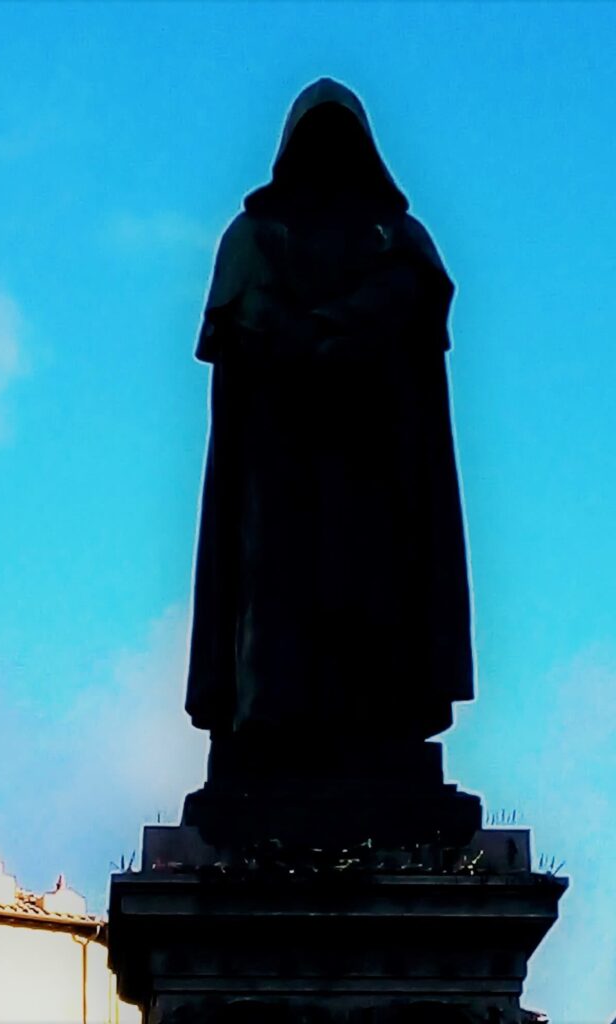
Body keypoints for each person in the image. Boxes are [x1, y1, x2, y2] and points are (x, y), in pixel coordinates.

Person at [185, 78, 473, 758]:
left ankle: (380, 720)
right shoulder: (252, 236)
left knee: (377, 586)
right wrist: (307, 334)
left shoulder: (400, 239)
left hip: (376, 456)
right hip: (276, 455)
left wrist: (330, 329)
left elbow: (410, 300)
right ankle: (267, 719)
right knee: (271, 586)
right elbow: (238, 318)